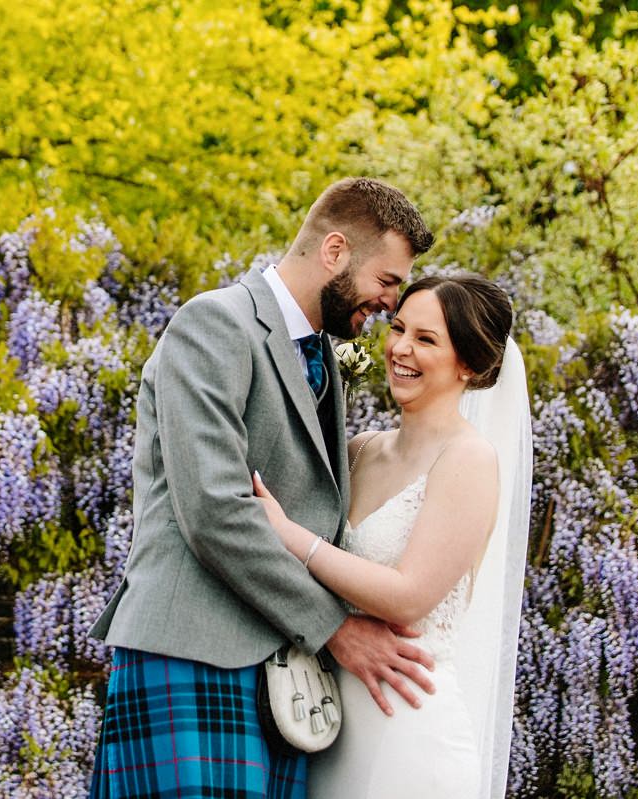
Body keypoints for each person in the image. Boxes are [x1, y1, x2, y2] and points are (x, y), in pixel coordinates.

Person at [88, 177, 436, 799]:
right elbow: (215, 511)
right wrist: (335, 628)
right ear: (335, 251)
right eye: (386, 281)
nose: (389, 305)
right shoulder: (215, 324)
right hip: (191, 651)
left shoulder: (323, 358)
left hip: (279, 677)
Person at [253, 274, 533, 798]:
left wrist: (290, 536)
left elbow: (408, 597)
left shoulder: (469, 459)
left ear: (469, 364)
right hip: (325, 722)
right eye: (398, 328)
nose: (400, 348)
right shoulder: (359, 449)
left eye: (427, 340)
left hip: (409, 730)